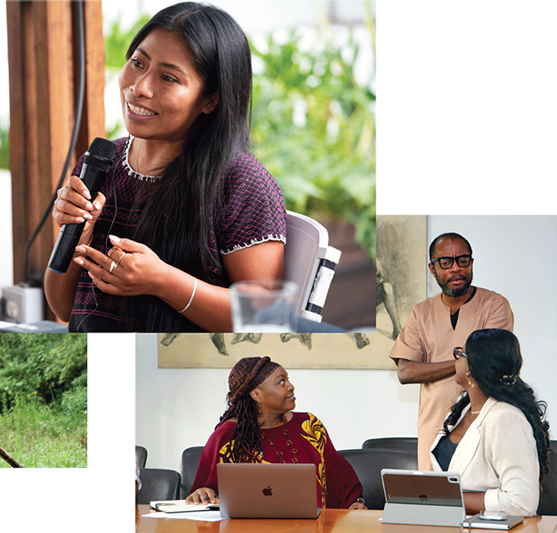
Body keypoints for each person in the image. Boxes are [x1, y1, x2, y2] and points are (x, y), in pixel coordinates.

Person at [45, 2, 287, 332]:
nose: (139, 88)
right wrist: (79, 234)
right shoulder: (100, 164)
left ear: (211, 99)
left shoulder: (241, 182)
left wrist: (163, 282)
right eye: (137, 63)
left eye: (168, 77)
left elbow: (265, 316)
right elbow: (62, 308)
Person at [389, 232, 513, 470]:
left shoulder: (494, 305)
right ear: (433, 268)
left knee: (478, 490)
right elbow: (405, 372)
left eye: (462, 260)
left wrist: (465, 361)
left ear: (471, 262)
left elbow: (490, 362)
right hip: (433, 427)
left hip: (482, 423)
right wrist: (462, 361)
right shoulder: (421, 313)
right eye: (446, 262)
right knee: (434, 492)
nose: (456, 268)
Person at [185, 356, 366, 510]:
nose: (291, 386)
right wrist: (201, 494)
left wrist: (355, 502)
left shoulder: (309, 425)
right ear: (257, 395)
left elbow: (339, 479)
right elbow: (206, 495)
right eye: (281, 382)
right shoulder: (227, 437)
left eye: (288, 379)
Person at [432, 329, 549, 516]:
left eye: (461, 354)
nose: (456, 360)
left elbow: (522, 502)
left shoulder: (505, 418)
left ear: (472, 369)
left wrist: (449, 499)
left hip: (486, 526)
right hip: (453, 523)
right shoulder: (463, 409)